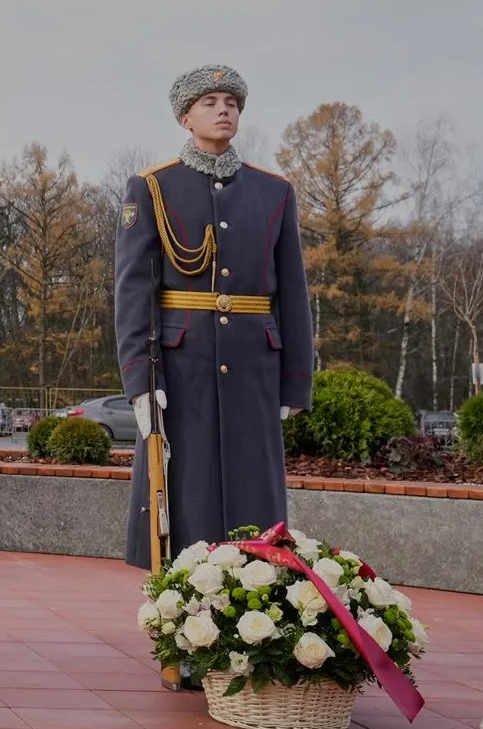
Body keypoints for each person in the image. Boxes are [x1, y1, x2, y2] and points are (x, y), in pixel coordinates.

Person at [115, 64, 314, 581]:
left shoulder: (274, 192)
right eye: (210, 102)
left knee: (256, 497)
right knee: (186, 498)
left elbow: (292, 292)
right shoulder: (153, 188)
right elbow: (134, 293)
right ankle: (185, 624)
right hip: (182, 370)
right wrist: (139, 383)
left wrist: (296, 381)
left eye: (232, 102)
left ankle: (254, 624)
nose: (224, 109)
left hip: (253, 367)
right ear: (186, 117)